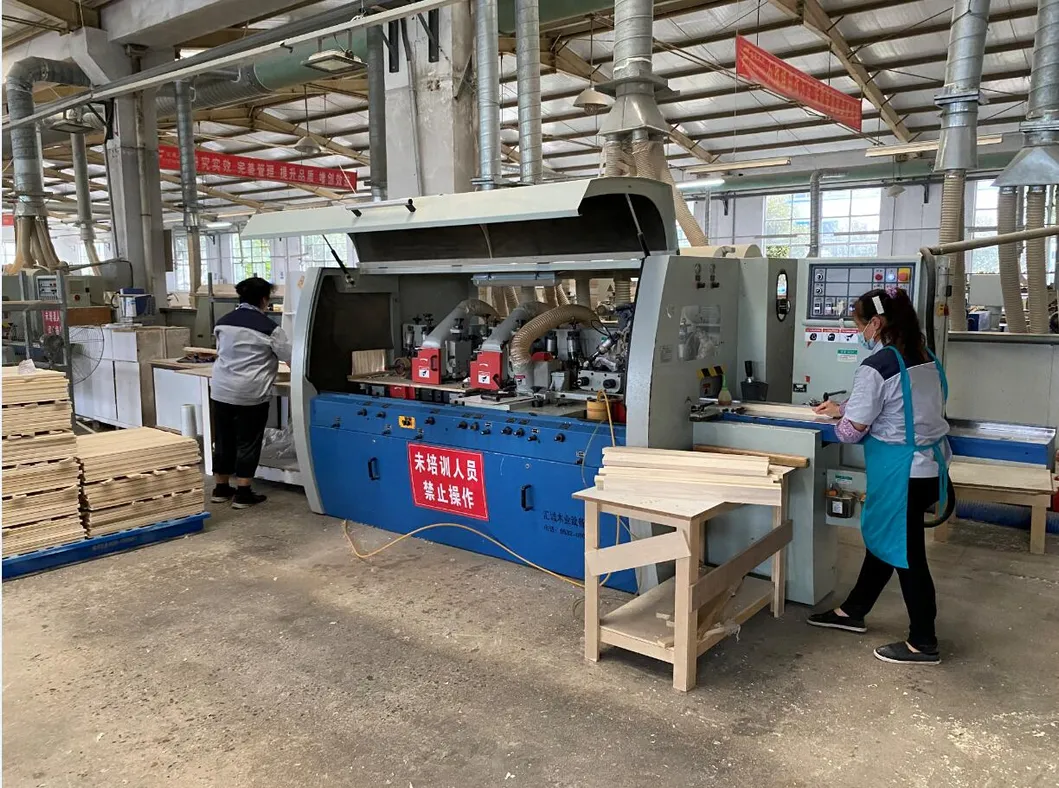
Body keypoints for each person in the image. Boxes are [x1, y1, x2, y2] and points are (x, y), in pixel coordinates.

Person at [807, 288, 950, 665]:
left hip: (902, 472)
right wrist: (846, 407)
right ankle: (853, 611)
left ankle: (924, 642)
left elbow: (853, 432)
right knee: (887, 539)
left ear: (876, 323)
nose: (859, 332)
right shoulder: (925, 357)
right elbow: (899, 405)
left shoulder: (878, 365)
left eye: (859, 325)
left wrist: (840, 419)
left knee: (907, 555)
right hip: (929, 467)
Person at [209, 276, 292, 509]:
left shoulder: (223, 322)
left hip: (221, 390)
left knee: (224, 439)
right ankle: (243, 493)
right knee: (248, 442)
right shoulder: (270, 328)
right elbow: (290, 357)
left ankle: (221, 489)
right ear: (264, 299)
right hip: (250, 393)